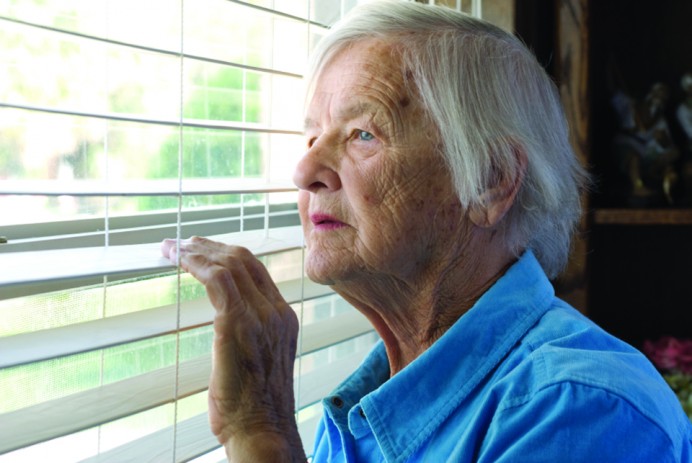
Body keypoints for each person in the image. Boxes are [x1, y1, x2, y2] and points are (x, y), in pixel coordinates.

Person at [161, 1, 692, 461]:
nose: (304, 172)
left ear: (489, 182)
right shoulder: (367, 406)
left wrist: (262, 433)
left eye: (363, 134)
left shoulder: (582, 411)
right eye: (313, 137)